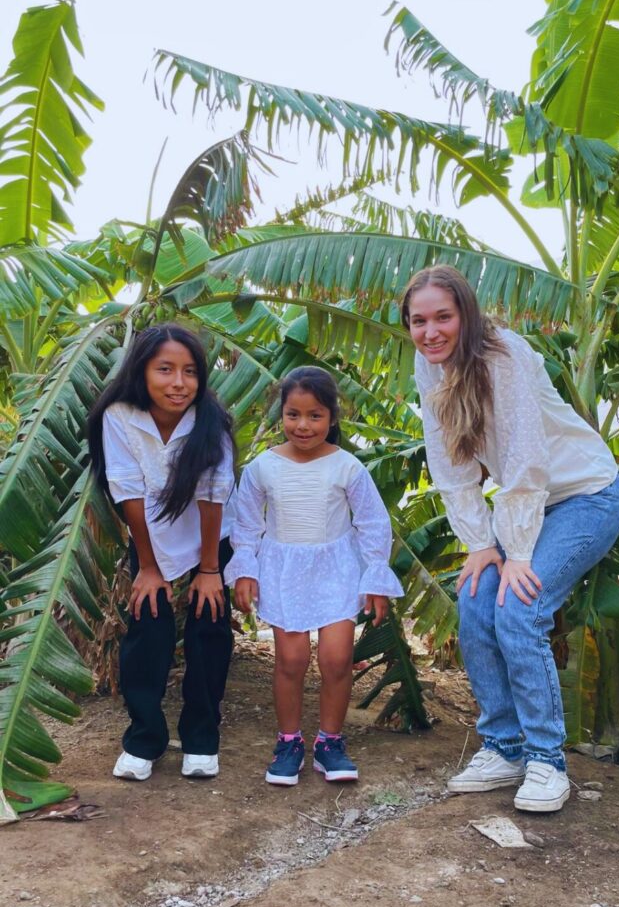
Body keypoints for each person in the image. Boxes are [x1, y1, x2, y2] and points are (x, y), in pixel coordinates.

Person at [402, 265, 619, 813]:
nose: (430, 332)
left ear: (467, 315)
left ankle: (547, 761)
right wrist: (481, 544)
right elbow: (448, 461)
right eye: (418, 321)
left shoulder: (503, 355)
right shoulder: (429, 366)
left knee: (519, 607)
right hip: (530, 506)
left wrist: (518, 555)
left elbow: (526, 458)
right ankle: (504, 749)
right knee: (476, 599)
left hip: (584, 497)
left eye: (443, 317)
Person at [225, 366, 403, 786]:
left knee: (337, 659)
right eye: (293, 414)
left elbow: (373, 523)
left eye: (315, 416)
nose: (303, 425)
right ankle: (288, 742)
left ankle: (330, 743)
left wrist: (375, 578)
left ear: (332, 418)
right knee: (290, 660)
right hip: (284, 572)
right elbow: (246, 524)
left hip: (336, 571)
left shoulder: (347, 467)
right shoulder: (261, 469)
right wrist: (245, 571)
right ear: (281, 414)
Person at [88, 324, 236, 781]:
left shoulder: (211, 421)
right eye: (165, 370)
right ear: (142, 371)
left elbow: (214, 493)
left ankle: (201, 737)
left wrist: (209, 570)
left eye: (189, 372)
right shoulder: (119, 416)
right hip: (150, 536)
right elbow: (127, 490)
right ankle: (143, 739)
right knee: (147, 630)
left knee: (208, 629)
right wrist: (148, 568)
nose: (179, 383)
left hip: (211, 536)